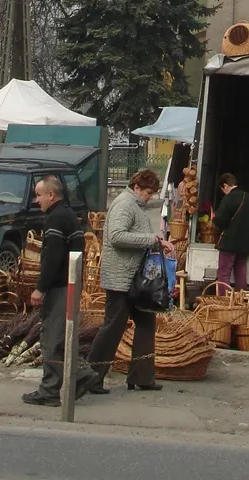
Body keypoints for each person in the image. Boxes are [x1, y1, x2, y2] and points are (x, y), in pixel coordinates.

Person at [88, 168, 173, 393]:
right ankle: (91, 377)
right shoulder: (125, 204)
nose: (150, 197)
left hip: (134, 280)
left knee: (146, 323)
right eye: (147, 192)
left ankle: (142, 377)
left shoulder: (134, 204)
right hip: (120, 280)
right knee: (113, 327)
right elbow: (116, 236)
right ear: (136, 188)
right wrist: (150, 239)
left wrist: (156, 243)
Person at [22, 175, 94, 407]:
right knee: (62, 337)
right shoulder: (69, 215)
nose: (36, 200)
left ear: (51, 195)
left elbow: (53, 258)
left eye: (39, 195)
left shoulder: (55, 219)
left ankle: (53, 389)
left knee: (52, 338)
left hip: (60, 286)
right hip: (70, 283)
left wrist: (40, 289)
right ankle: (78, 374)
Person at [214, 173, 249, 292]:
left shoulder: (228, 198)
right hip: (245, 243)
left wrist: (214, 220)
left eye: (223, 190)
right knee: (241, 271)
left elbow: (220, 220)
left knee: (224, 273)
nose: (224, 192)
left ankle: (223, 301)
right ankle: (240, 301)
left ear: (225, 186)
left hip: (230, 243)